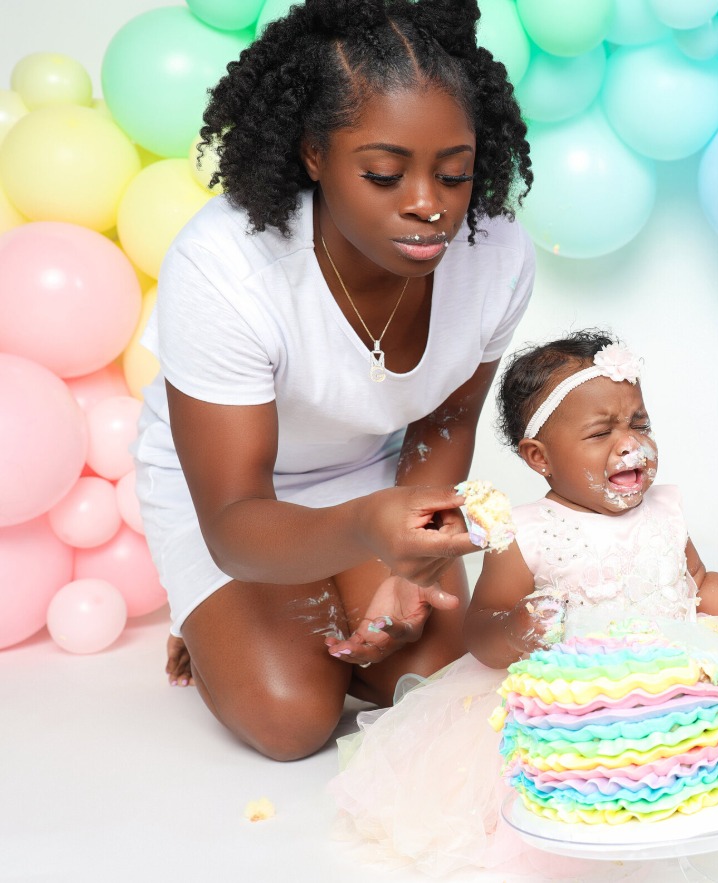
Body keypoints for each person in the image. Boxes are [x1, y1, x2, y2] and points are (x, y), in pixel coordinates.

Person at [131, 0, 535, 761]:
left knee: (437, 682)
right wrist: (365, 531)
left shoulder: (497, 256)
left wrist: (412, 558)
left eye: (454, 173)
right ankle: (207, 616)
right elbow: (235, 517)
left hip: (373, 476)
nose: (429, 206)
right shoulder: (224, 266)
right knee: (292, 721)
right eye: (384, 174)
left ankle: (262, 616)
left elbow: (447, 420)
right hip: (231, 499)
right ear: (314, 154)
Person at [328, 330, 718, 877]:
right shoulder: (525, 532)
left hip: (680, 687)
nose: (630, 444)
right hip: (578, 714)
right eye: (600, 432)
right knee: (542, 786)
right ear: (539, 457)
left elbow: (699, 584)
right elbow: (482, 629)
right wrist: (522, 626)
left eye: (639, 424)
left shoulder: (664, 511)